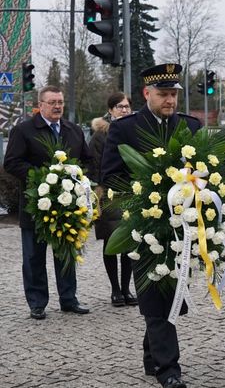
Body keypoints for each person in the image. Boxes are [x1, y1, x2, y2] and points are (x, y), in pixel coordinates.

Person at [101, 64, 201, 388]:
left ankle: (151, 355)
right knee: (153, 296)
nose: (170, 100)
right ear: (147, 94)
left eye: (174, 94)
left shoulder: (190, 126)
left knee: (170, 294)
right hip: (145, 228)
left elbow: (204, 171)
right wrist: (145, 196)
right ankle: (168, 370)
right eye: (163, 94)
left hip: (181, 227)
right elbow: (111, 177)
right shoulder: (125, 129)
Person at [3, 85, 92, 320]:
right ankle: (37, 303)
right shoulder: (23, 130)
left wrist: (76, 175)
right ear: (40, 105)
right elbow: (12, 162)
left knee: (66, 253)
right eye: (52, 102)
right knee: (33, 256)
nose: (57, 106)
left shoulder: (73, 130)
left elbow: (87, 160)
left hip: (68, 204)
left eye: (60, 102)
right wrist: (42, 177)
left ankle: (69, 299)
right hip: (36, 204)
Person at [88, 92, 137, 307]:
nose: (124, 110)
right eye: (119, 106)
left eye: (127, 106)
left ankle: (126, 289)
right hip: (109, 194)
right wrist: (97, 195)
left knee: (129, 242)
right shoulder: (100, 135)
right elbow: (95, 166)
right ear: (110, 110)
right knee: (111, 241)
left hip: (132, 193)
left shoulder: (134, 130)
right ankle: (115, 290)